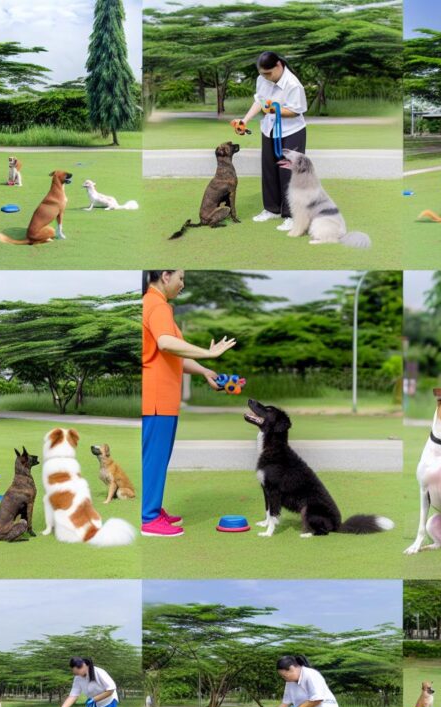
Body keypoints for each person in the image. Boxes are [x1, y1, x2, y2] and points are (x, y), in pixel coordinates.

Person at [141, 270, 236, 537]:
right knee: (154, 459)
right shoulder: (156, 305)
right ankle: (148, 518)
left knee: (159, 458)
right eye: (180, 277)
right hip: (157, 399)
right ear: (165, 275)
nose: (183, 284)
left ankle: (153, 508)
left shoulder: (158, 306)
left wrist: (205, 370)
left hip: (164, 399)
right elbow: (166, 343)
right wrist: (209, 351)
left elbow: (177, 354)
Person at [235, 51, 308, 232]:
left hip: (291, 131)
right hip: (269, 129)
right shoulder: (263, 79)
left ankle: (292, 216)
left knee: (289, 173)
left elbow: (296, 111)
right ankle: (272, 209)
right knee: (269, 169)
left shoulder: (293, 84)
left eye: (268, 73)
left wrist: (274, 109)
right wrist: (244, 120)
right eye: (262, 74)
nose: (265, 77)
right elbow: (259, 102)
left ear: (278, 65)